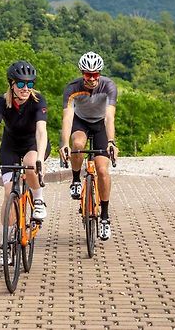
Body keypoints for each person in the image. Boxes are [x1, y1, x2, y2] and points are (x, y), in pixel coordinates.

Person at [0, 60, 51, 264]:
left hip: (33, 145)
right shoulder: (1, 102)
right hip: (10, 146)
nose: (26, 88)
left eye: (30, 84)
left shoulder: (38, 101)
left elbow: (41, 131)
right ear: (12, 84)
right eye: (20, 84)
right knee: (9, 192)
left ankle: (38, 199)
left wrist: (39, 158)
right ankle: (6, 241)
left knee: (29, 165)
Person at [59, 51, 119, 241]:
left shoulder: (108, 86)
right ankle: (76, 179)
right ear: (82, 73)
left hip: (100, 125)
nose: (92, 78)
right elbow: (67, 118)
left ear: (99, 73)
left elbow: (110, 117)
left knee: (102, 170)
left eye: (95, 74)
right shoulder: (72, 88)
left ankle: (105, 217)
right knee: (77, 144)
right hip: (81, 122)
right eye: (87, 74)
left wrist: (111, 142)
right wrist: (64, 144)